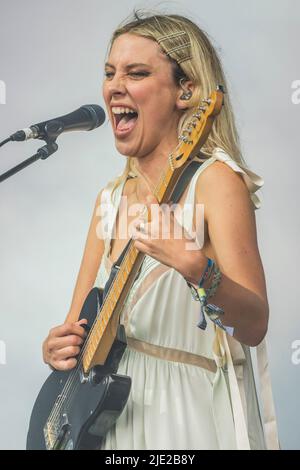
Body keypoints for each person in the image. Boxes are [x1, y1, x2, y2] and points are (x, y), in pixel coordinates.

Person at [42, 12, 279, 450]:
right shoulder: (108, 201)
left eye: (136, 73)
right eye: (110, 72)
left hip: (181, 415)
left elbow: (255, 324)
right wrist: (56, 348)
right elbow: (79, 331)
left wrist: (193, 265)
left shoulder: (216, 182)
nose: (115, 86)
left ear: (186, 91)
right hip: (106, 422)